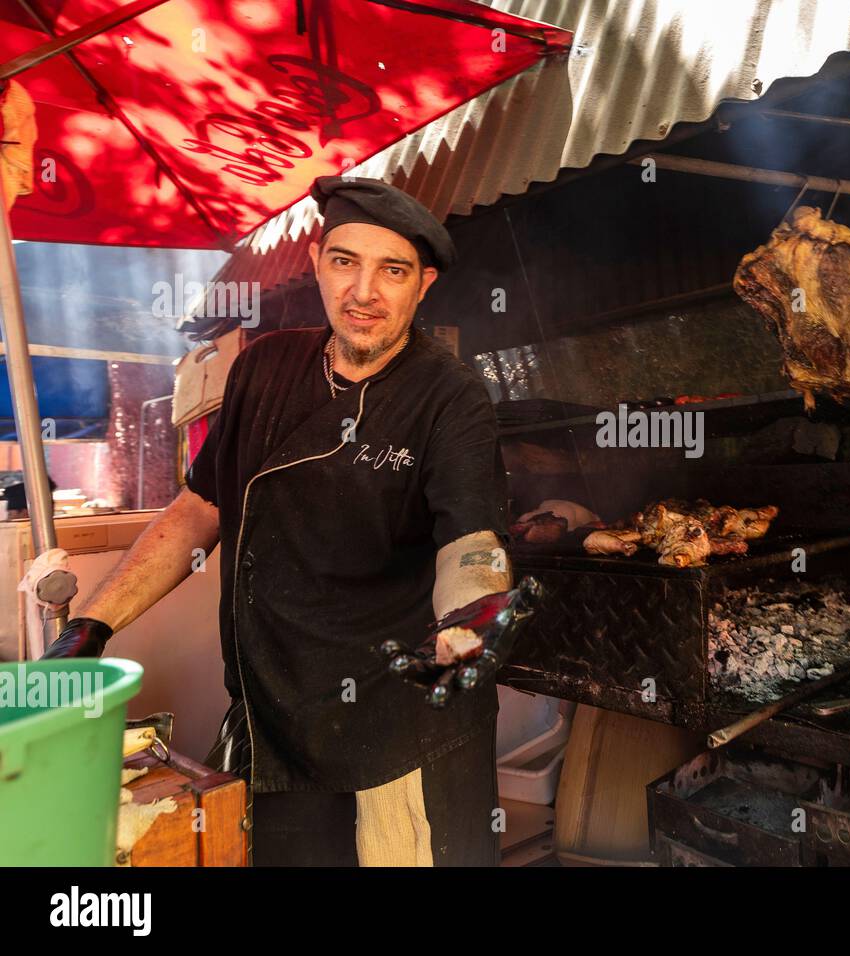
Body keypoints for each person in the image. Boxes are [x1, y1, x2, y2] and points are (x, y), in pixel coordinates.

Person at [43, 176, 512, 866]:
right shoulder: (262, 369)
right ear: (320, 263)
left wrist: (471, 617)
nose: (364, 292)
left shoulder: (451, 398)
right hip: (274, 708)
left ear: (424, 285)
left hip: (397, 719)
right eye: (346, 262)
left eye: (393, 271)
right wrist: (94, 623)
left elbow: (468, 542)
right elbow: (202, 508)